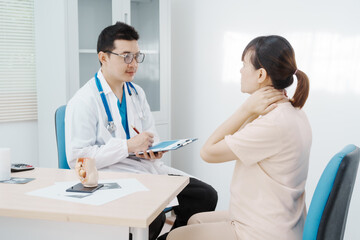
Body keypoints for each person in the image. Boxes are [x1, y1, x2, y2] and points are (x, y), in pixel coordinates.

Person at [65, 22, 217, 240]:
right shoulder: (84, 101)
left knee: (204, 196)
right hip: (112, 176)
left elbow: (150, 135)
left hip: (146, 169)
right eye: (126, 56)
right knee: (153, 218)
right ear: (103, 57)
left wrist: (153, 149)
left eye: (137, 56)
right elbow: (77, 158)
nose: (133, 64)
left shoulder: (136, 93)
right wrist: (127, 146)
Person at [167, 35, 312, 240]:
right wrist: (252, 110)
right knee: (195, 220)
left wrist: (245, 109)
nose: (241, 71)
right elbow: (235, 138)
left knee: (175, 237)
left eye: (244, 65)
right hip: (280, 220)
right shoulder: (292, 112)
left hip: (263, 231)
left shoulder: (272, 124)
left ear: (261, 74)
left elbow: (208, 152)